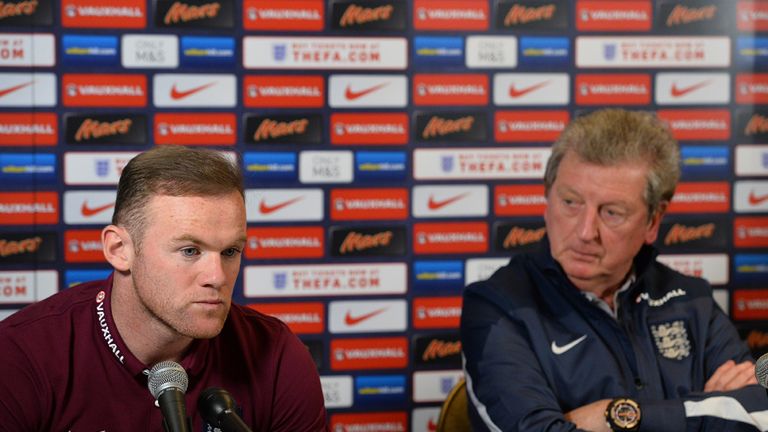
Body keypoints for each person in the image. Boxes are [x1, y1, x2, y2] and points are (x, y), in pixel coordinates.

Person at [461, 109, 768, 431]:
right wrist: (705, 408)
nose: (585, 232)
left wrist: (617, 416)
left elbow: (759, 413)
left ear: (653, 221)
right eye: (570, 202)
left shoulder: (691, 299)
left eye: (611, 212)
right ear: (547, 197)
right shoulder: (498, 306)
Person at [0, 146, 328, 431]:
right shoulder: (20, 357)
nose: (217, 277)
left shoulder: (275, 355)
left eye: (230, 252)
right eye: (190, 251)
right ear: (119, 250)